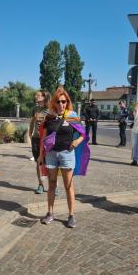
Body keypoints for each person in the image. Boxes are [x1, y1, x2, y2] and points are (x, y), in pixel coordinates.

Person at [38, 88, 90, 228]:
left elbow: (83, 134)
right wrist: (40, 155)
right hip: (51, 154)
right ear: (54, 102)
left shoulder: (72, 116)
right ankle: (50, 213)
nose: (61, 104)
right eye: (58, 101)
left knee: (68, 186)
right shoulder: (49, 116)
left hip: (67, 154)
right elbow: (44, 136)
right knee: (52, 185)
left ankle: (71, 215)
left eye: (64, 101)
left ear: (67, 102)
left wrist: (77, 142)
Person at [28, 90, 50, 194]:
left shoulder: (51, 109)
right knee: (38, 161)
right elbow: (32, 121)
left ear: (44, 97)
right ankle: (41, 184)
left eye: (38, 95)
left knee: (50, 162)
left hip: (48, 139)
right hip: (36, 138)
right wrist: (30, 133)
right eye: (36, 94)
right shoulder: (35, 109)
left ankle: (53, 185)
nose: (36, 96)